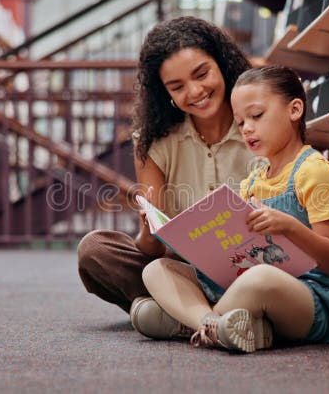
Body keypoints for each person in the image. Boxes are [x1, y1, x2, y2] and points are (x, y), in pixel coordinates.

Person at [135, 65, 329, 353]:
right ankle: (217, 324)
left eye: (257, 116)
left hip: (306, 296)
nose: (247, 128)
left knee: (260, 279)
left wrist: (289, 226)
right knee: (156, 269)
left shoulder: (314, 172)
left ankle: (188, 324)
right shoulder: (252, 182)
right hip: (242, 286)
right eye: (240, 122)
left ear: (295, 109)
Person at [76, 16, 255, 324]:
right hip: (181, 270)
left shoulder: (258, 120)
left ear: (221, 64)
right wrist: (148, 231)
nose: (196, 91)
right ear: (165, 93)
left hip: (251, 266)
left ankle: (178, 317)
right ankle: (214, 315)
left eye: (202, 74)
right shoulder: (154, 143)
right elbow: (152, 248)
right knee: (95, 250)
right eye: (177, 87)